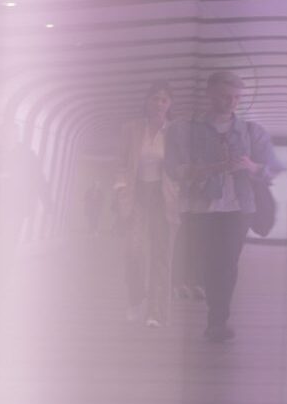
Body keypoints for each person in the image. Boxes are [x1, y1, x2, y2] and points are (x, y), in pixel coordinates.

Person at [165, 71, 276, 343]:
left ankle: (217, 320)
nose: (232, 102)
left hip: (238, 207)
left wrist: (250, 167)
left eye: (237, 97)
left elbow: (270, 170)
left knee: (226, 264)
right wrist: (211, 169)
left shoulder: (253, 132)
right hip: (199, 206)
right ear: (210, 94)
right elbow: (173, 170)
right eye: (226, 96)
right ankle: (210, 303)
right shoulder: (183, 129)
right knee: (206, 261)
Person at [118, 82, 179, 327]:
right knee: (133, 251)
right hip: (136, 194)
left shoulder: (175, 132)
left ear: (169, 105)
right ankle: (136, 298)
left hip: (164, 197)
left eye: (164, 100)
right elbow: (121, 164)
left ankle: (156, 312)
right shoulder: (130, 129)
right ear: (147, 101)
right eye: (155, 98)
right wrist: (120, 191)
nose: (159, 104)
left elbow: (181, 166)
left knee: (161, 255)